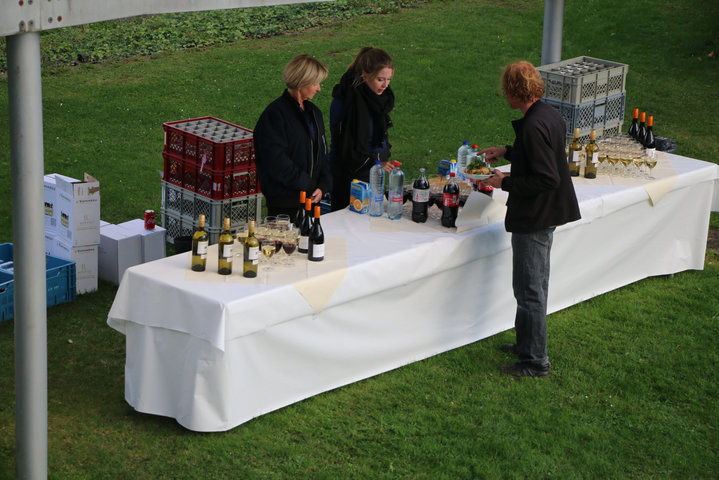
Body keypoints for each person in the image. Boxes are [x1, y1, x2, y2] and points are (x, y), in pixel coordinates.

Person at [479, 61, 581, 378]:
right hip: (545, 213)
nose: (503, 95)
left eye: (505, 90)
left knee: (530, 289)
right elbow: (542, 154)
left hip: (535, 217)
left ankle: (536, 361)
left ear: (514, 91)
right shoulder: (546, 114)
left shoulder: (535, 124)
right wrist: (508, 150)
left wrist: (503, 183)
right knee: (530, 285)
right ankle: (527, 344)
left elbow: (546, 178)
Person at [253, 54, 333, 221]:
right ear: (302, 82)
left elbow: (322, 153)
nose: (319, 88)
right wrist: (309, 185)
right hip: (285, 205)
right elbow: (277, 163)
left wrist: (323, 185)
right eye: (315, 83)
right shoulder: (275, 116)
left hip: (312, 201)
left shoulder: (314, 113)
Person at [329, 47, 395, 211]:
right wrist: (377, 162)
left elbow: (379, 135)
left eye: (389, 79)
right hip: (350, 176)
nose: (385, 85)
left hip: (373, 172)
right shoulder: (346, 102)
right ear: (365, 75)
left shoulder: (377, 98)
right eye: (380, 79)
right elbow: (346, 147)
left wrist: (382, 159)